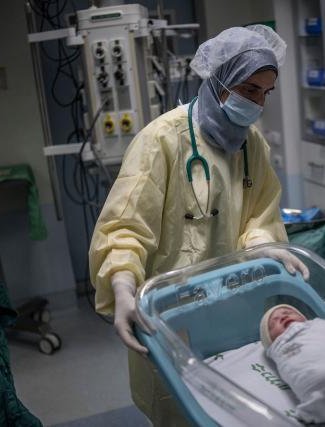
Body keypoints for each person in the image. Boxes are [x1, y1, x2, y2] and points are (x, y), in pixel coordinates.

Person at [89, 25, 308, 425]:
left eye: (265, 93)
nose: (258, 103)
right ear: (219, 81)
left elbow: (259, 214)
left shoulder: (251, 143)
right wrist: (121, 282)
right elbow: (125, 227)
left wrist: (264, 245)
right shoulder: (163, 141)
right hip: (169, 316)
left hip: (231, 309)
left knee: (236, 408)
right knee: (179, 410)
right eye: (249, 90)